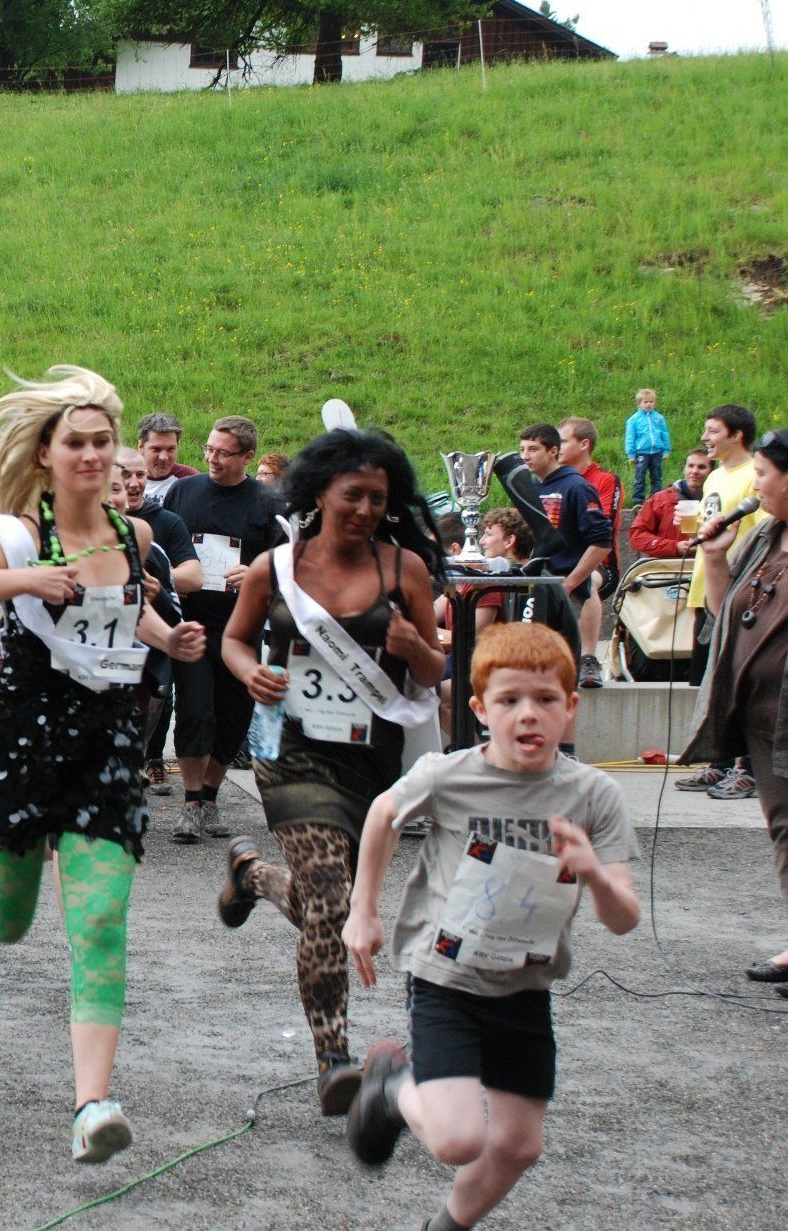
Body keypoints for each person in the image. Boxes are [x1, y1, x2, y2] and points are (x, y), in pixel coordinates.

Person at [0, 365, 206, 1164]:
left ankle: (91, 1104)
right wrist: (27, 580)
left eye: (102, 441)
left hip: (107, 742)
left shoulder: (133, 535)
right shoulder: (17, 533)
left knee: (100, 921)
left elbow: (123, 612)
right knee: (11, 915)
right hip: (22, 738)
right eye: (75, 442)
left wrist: (169, 638)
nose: (92, 454)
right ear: (45, 453)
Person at [343, 623, 641, 1231]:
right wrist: (363, 910)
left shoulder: (594, 795)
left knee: (519, 1145)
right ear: (480, 709)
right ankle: (393, 1086)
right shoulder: (448, 775)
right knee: (457, 1141)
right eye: (509, 700)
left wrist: (596, 876)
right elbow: (383, 813)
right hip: (446, 978)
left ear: (571, 706)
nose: (528, 714)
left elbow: (623, 919)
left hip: (525, 985)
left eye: (546, 699)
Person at [217, 426, 447, 1115]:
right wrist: (248, 671)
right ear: (319, 493)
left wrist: (412, 645)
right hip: (288, 750)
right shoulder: (276, 567)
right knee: (330, 896)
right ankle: (333, 1060)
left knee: (329, 902)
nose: (367, 509)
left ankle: (254, 878)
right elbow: (234, 640)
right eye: (354, 495)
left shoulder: (404, 569)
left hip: (370, 755)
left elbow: (435, 671)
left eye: (379, 498)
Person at [681, 426, 788, 1001]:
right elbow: (727, 612)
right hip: (761, 709)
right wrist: (713, 558)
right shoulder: (765, 534)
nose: (754, 485)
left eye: (760, 474)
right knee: (786, 827)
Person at [161, 416, 280, 840]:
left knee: (233, 716)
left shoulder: (269, 503)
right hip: (192, 624)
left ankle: (210, 798)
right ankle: (191, 801)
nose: (212, 459)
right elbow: (164, 547)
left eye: (223, 453)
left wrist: (258, 574)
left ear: (247, 456)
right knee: (195, 710)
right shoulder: (183, 491)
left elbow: (288, 563)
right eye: (209, 449)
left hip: (241, 628)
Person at [680, 404, 767, 802]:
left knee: (740, 680)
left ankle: (746, 767)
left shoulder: (755, 476)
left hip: (742, 591)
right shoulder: (715, 476)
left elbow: (762, 534)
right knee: (714, 681)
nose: (705, 437)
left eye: (713, 430)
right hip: (708, 588)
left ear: (737, 435)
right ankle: (719, 760)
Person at [513, 424, 608, 751]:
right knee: (533, 672)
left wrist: (570, 582)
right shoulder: (531, 487)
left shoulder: (576, 487)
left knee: (561, 674)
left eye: (533, 449)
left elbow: (601, 542)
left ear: (553, 451)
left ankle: (566, 749)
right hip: (536, 588)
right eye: (522, 450)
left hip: (565, 590)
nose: (526, 456)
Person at [116, 445, 201, 798]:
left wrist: (169, 634)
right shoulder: (54, 538)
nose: (131, 485)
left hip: (135, 668)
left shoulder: (151, 535)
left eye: (138, 476)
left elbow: (159, 604)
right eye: (120, 481)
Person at [558, 418, 622, 689]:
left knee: (587, 580)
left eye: (562, 441)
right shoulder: (550, 481)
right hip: (558, 563)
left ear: (584, 444)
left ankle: (588, 658)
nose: (556, 447)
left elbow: (599, 531)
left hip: (599, 566)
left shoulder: (605, 480)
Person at [629, 448, 713, 560]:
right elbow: (637, 536)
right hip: (667, 566)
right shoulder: (661, 499)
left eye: (701, 467)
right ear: (684, 469)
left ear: (712, 472)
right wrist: (674, 547)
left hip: (707, 564)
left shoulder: (718, 500)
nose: (694, 471)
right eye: (690, 466)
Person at [135, 411, 197, 504]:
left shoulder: (191, 480)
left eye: (170, 449)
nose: (163, 457)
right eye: (156, 449)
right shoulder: (125, 478)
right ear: (141, 447)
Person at [624, 388, 671, 505]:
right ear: (639, 404)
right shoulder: (634, 420)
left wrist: (666, 450)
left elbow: (664, 434)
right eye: (645, 402)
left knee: (656, 477)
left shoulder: (659, 418)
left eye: (651, 401)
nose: (649, 404)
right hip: (642, 452)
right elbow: (630, 437)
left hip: (657, 452)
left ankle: (656, 499)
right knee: (640, 477)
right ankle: (638, 501)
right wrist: (631, 454)